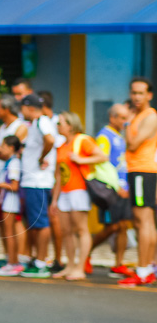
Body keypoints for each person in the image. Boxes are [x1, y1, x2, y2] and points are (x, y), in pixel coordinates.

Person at [51, 112, 107, 281]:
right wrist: (54, 199)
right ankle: (70, 266)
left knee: (81, 229)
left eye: (60, 123)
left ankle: (80, 267)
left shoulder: (83, 140)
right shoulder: (61, 146)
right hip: (65, 193)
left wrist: (81, 160)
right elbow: (59, 175)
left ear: (70, 125)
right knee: (66, 231)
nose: (58, 126)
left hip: (79, 190)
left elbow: (102, 156)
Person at [121, 77, 157, 287]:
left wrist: (126, 122)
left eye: (140, 93)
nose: (136, 97)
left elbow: (133, 145)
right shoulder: (139, 115)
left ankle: (143, 271)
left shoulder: (149, 117)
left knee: (142, 220)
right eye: (133, 93)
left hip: (143, 171)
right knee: (147, 222)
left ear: (149, 95)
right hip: (139, 171)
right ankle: (149, 267)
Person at [89, 103, 133, 277]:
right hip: (111, 189)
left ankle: (118, 264)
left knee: (123, 226)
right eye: (122, 118)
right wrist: (116, 185)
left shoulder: (121, 137)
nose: (125, 121)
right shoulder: (104, 136)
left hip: (123, 189)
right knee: (112, 227)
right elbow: (102, 162)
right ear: (112, 118)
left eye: (126, 117)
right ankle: (86, 253)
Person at [18, 95, 57, 278]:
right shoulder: (36, 123)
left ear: (30, 108)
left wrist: (42, 158)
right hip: (32, 182)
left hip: (38, 182)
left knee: (41, 223)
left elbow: (50, 140)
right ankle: (37, 259)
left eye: (22, 108)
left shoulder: (42, 122)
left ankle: (41, 262)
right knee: (35, 222)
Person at [0, 136, 24, 276]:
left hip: (10, 202)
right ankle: (12, 261)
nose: (1, 149)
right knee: (8, 233)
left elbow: (15, 186)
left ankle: (13, 263)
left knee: (10, 234)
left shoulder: (14, 163)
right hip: (6, 201)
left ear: (11, 148)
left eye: (3, 146)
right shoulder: (10, 162)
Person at [40, 91, 65, 272]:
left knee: (54, 220)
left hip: (55, 180)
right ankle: (49, 258)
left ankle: (58, 259)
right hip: (48, 179)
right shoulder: (40, 122)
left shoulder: (58, 124)